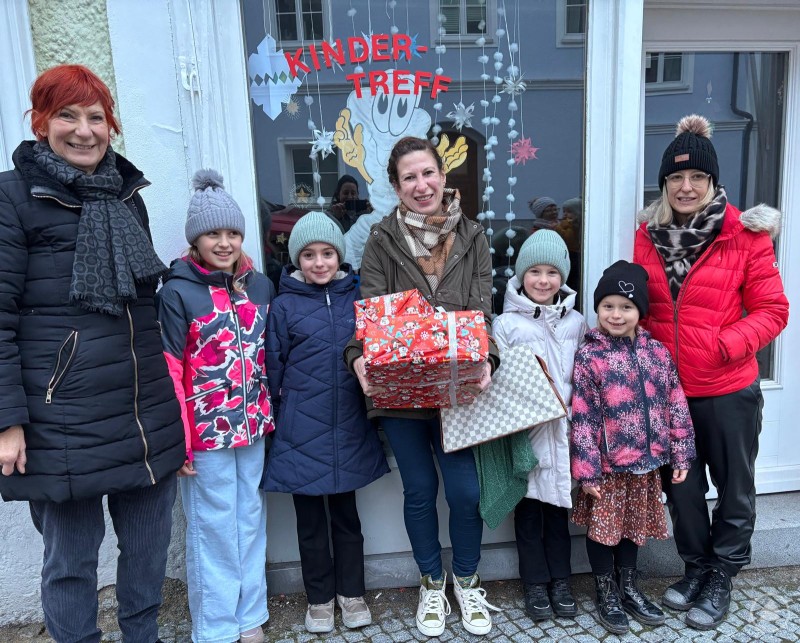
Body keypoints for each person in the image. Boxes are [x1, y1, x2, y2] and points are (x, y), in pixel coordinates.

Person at [0, 64, 184, 642]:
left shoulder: (127, 194)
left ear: (112, 126)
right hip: (62, 421)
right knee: (72, 565)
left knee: (149, 556)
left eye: (96, 117)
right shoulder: (12, 198)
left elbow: (145, 305)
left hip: (142, 410)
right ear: (40, 122)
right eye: (67, 116)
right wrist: (8, 421)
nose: (84, 131)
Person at [633, 114, 789, 630]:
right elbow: (642, 309)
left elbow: (773, 310)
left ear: (712, 183)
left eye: (696, 178)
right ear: (664, 184)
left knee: (734, 487)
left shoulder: (743, 236)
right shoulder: (647, 234)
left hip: (726, 388)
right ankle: (696, 567)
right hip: (670, 394)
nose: (685, 187)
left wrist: (726, 345)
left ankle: (722, 574)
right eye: (676, 178)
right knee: (680, 489)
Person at [344, 136, 500, 638]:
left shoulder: (473, 236)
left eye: (427, 173)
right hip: (403, 391)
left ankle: (467, 580)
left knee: (465, 493)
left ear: (443, 176)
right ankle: (432, 583)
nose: (421, 185)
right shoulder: (380, 239)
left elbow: (482, 315)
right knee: (418, 491)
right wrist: (359, 359)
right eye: (409, 177)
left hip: (456, 388)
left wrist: (488, 358)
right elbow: (371, 317)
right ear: (396, 186)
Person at [156, 170, 274, 643]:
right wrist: (178, 439)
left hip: (253, 427)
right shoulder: (178, 291)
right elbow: (169, 368)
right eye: (212, 234)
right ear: (195, 239)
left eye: (232, 233)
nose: (224, 243)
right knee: (212, 527)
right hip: (204, 435)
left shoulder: (260, 286)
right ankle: (217, 626)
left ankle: (250, 616)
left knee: (250, 519)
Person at [262, 211, 388, 634]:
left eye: (328, 253)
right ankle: (319, 599)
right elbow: (273, 368)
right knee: (310, 524)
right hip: (300, 430)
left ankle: (351, 594)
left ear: (340, 256)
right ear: (297, 258)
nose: (320, 262)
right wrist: (278, 422)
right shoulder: (283, 306)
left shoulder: (359, 301)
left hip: (349, 423)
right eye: (310, 254)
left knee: (347, 519)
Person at [571, 260, 696, 636]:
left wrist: (682, 451)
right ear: (597, 309)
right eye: (608, 306)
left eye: (626, 307)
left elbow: (676, 401)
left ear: (639, 311)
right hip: (608, 467)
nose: (616, 314)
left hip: (646, 465)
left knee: (630, 528)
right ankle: (605, 590)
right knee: (603, 529)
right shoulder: (590, 355)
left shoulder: (656, 353)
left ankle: (629, 586)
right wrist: (587, 468)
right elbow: (583, 414)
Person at [493, 230, 587, 622]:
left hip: (564, 437)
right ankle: (535, 583)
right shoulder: (506, 324)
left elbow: (583, 377)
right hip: (527, 438)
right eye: (535, 271)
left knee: (557, 514)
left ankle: (561, 581)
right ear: (521, 276)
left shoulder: (577, 322)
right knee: (529, 514)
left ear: (563, 277)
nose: (544, 280)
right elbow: (499, 385)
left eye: (552, 272)